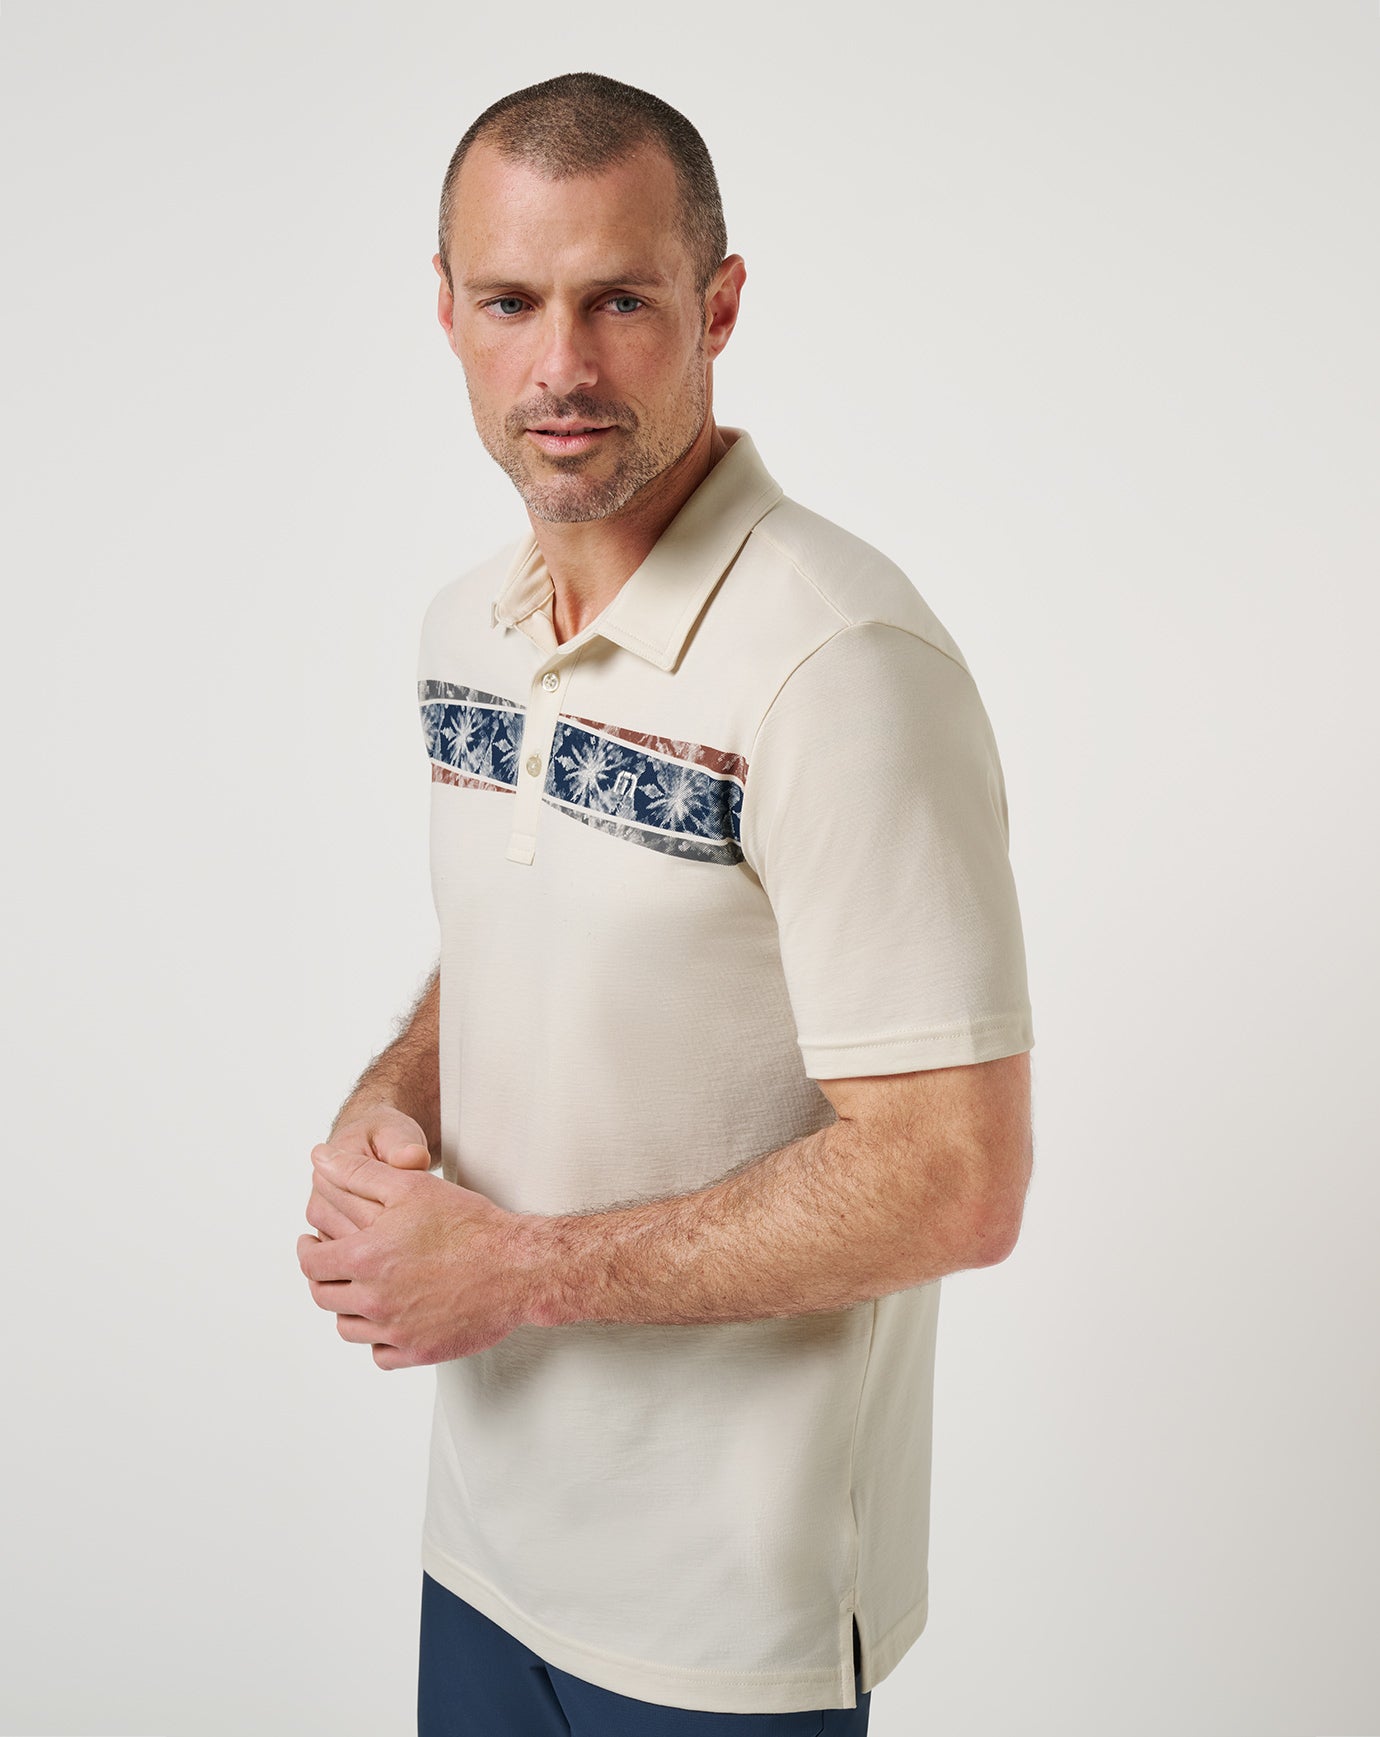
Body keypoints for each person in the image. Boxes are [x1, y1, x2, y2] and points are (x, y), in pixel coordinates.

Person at [298, 70, 1036, 1737]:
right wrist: (387, 1107)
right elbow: (527, 936)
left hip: (724, 1619)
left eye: (619, 300)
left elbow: (955, 1177)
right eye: (512, 302)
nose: (560, 365)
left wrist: (515, 1271)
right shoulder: (468, 628)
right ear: (447, 312)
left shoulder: (842, 665)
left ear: (720, 305)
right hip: (482, 1546)